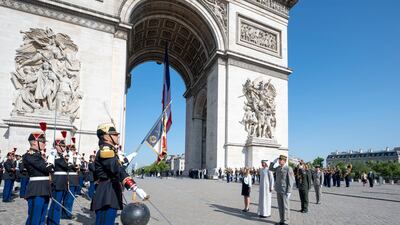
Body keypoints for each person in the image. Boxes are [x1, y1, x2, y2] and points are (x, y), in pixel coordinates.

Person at [90, 122, 149, 225]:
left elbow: (117, 166)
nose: (117, 136)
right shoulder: (106, 151)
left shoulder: (111, 151)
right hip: (107, 193)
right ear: (106, 137)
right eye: (114, 134)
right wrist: (134, 187)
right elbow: (116, 169)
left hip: (110, 191)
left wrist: (128, 158)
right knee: (105, 222)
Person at [23, 130, 54, 225]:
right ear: (34, 142)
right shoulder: (29, 156)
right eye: (43, 142)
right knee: (34, 218)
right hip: (36, 189)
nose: (45, 144)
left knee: (41, 217)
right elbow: (47, 168)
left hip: (44, 188)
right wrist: (52, 157)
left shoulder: (39, 156)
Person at [47, 138, 71, 225]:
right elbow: (67, 166)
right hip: (58, 181)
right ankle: (53, 222)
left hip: (62, 181)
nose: (64, 148)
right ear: (57, 146)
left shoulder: (61, 156)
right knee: (56, 204)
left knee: (58, 204)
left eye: (64, 146)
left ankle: (53, 221)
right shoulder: (54, 155)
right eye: (62, 146)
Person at [269, 155, 294, 225]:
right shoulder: (278, 168)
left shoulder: (288, 168)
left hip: (285, 190)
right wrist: (273, 162)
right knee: (280, 206)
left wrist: (289, 191)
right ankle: (282, 220)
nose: (279, 161)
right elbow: (270, 169)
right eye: (279, 160)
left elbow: (291, 180)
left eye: (281, 160)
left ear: (284, 161)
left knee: (285, 206)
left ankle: (286, 221)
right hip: (278, 189)